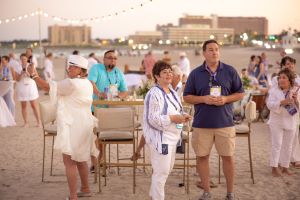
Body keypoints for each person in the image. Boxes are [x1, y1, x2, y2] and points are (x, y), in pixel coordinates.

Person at [28, 55, 98, 200]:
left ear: (80, 69)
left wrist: (34, 75)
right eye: (69, 65)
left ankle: (73, 196)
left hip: (73, 125)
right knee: (81, 159)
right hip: (84, 123)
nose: (68, 68)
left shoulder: (71, 83)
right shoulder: (88, 84)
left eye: (72, 66)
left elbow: (48, 87)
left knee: (70, 161)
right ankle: (85, 189)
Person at [183, 40, 244, 200]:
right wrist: (203, 99)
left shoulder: (230, 71)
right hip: (202, 124)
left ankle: (230, 193)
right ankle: (207, 192)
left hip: (225, 123)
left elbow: (240, 93)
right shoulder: (195, 74)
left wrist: (225, 99)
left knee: (228, 157)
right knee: (202, 157)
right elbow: (187, 97)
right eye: (210, 50)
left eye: (217, 49)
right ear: (204, 53)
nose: (214, 52)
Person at [143, 60, 191, 200]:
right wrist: (173, 119)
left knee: (166, 170)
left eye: (170, 71)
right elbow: (153, 119)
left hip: (173, 137)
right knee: (161, 173)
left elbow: (178, 112)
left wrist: (183, 117)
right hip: (160, 138)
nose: (169, 74)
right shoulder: (154, 94)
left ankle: (152, 195)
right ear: (157, 76)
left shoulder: (173, 93)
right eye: (164, 72)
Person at [88, 49, 128, 172]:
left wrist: (118, 97)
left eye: (115, 58)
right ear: (104, 59)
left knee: (103, 137)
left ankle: (100, 161)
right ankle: (95, 163)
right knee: (94, 137)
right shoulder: (96, 68)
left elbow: (125, 91)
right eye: (110, 57)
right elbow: (90, 82)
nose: (113, 60)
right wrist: (98, 93)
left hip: (110, 111)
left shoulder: (118, 73)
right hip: (94, 108)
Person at [267, 68, 299, 177]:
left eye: (284, 77)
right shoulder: (274, 91)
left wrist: (296, 101)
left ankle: (285, 167)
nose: (281, 80)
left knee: (289, 145)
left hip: (291, 121)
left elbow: (298, 108)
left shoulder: (296, 91)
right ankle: (274, 168)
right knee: (277, 144)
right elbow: (269, 105)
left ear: (290, 80)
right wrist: (282, 102)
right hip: (276, 121)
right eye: (280, 77)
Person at [14, 53, 40, 127]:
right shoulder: (18, 67)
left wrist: (28, 73)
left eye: (24, 59)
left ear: (27, 59)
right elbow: (17, 79)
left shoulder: (31, 66)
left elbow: (35, 76)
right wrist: (21, 73)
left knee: (34, 105)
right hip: (22, 86)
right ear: (20, 60)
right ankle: (26, 123)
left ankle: (38, 122)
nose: (23, 60)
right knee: (23, 106)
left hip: (31, 86)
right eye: (22, 59)